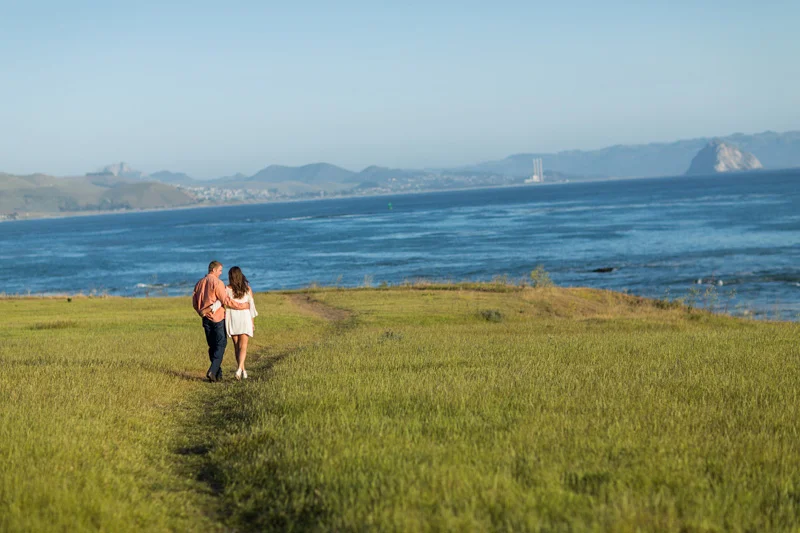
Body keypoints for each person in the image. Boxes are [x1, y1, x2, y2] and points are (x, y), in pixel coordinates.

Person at [192, 261, 250, 382]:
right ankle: (213, 371)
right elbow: (226, 301)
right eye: (220, 271)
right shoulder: (217, 283)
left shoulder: (199, 283)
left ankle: (217, 375)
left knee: (212, 346)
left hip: (205, 319)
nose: (221, 273)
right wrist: (242, 306)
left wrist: (201, 312)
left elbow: (194, 302)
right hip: (218, 318)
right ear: (214, 270)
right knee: (221, 345)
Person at [225, 266, 258, 380]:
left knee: (236, 346)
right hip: (245, 318)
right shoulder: (247, 289)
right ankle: (241, 369)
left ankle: (241, 369)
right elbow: (252, 308)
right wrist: (252, 323)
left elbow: (225, 303)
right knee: (243, 346)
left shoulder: (227, 289)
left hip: (232, 318)